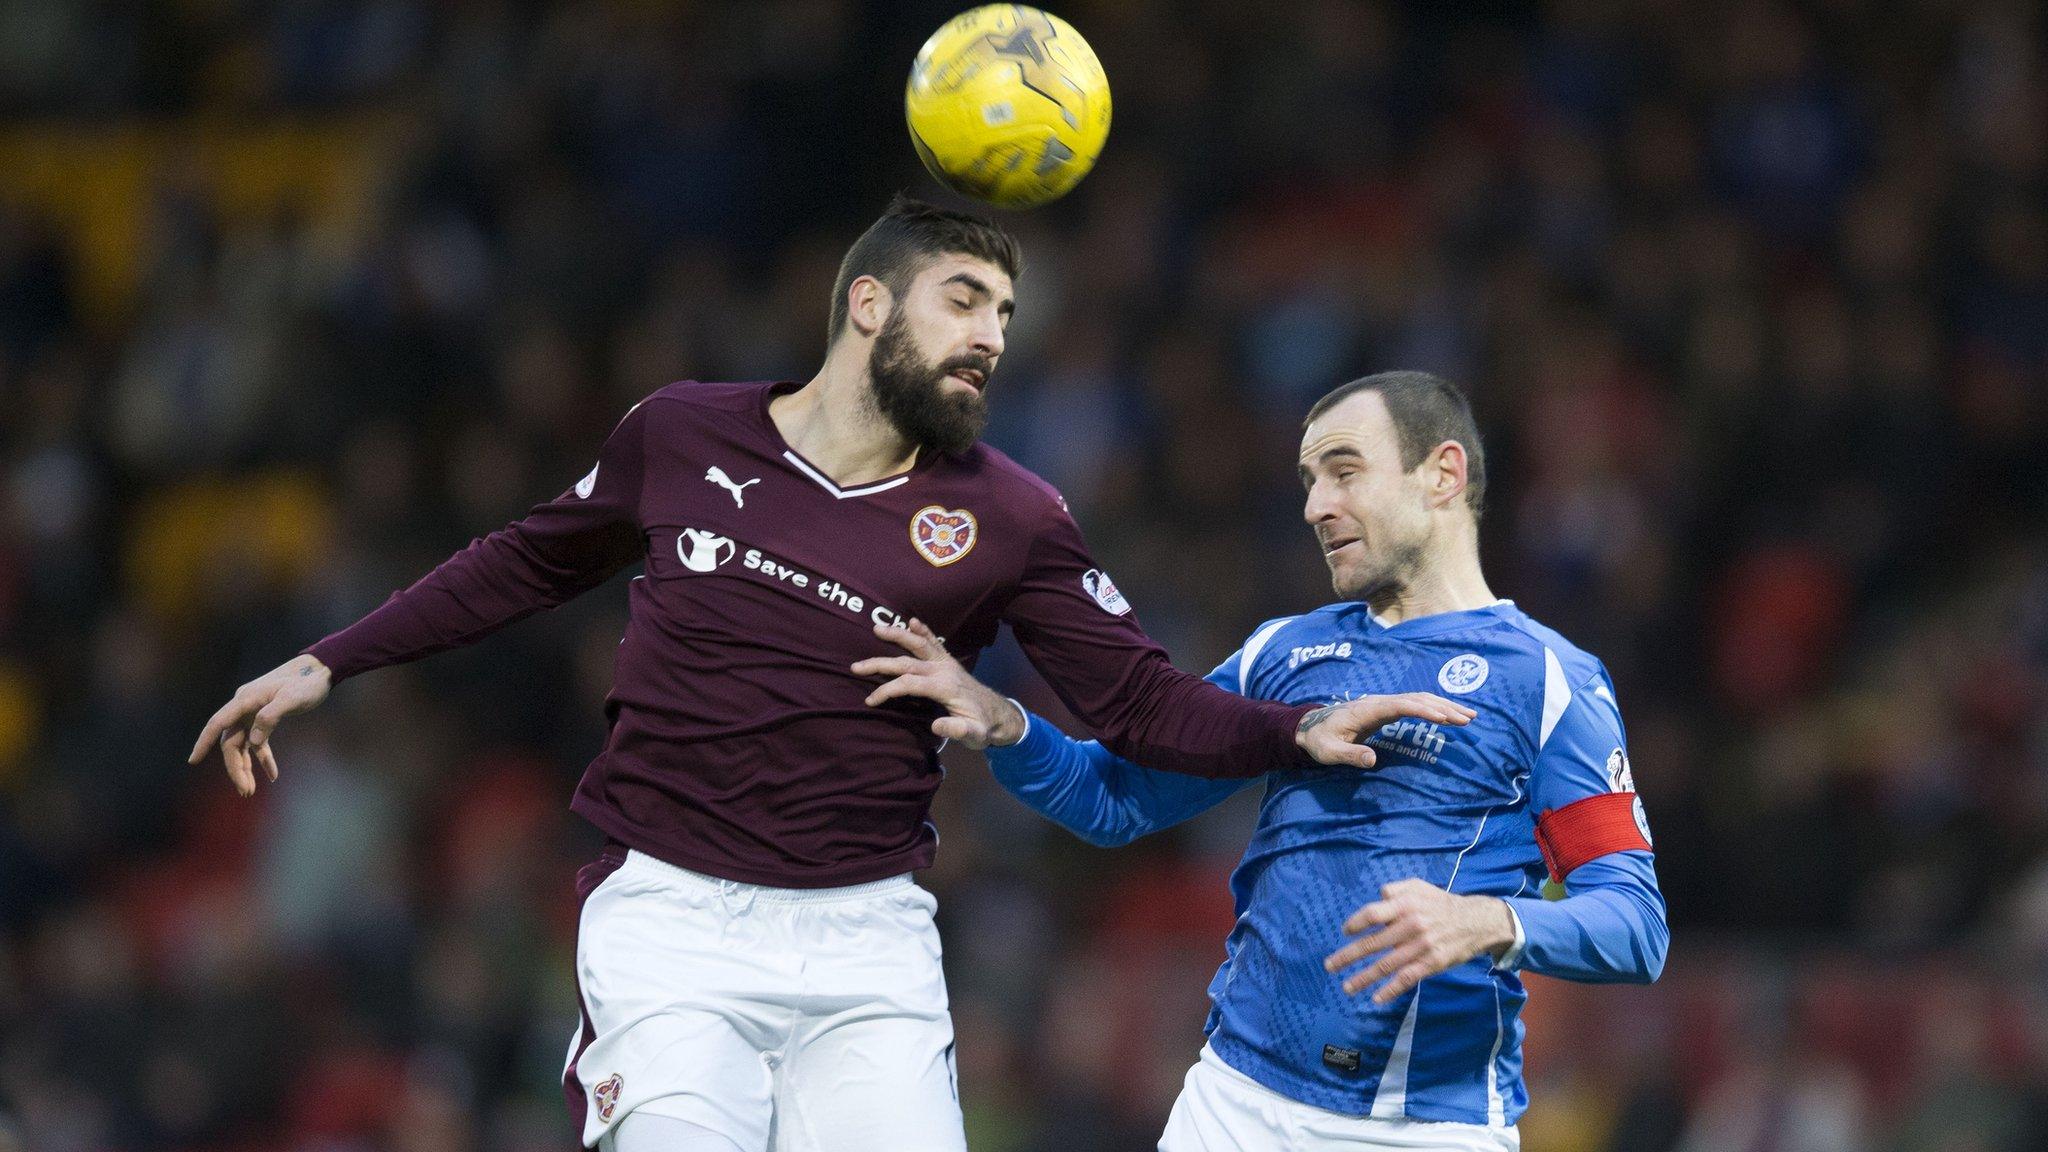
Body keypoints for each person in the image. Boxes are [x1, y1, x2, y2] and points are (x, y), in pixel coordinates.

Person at [185, 199, 1467, 1152]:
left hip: (869, 943)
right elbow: (522, 564)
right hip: (673, 921)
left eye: (1006, 317)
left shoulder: (1010, 516)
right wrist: (325, 660)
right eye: (963, 300)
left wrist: (1289, 730)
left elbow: (1138, 700)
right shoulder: (681, 434)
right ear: (868, 303)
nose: (991, 338)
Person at [853, 371, 1669, 1151]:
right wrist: (1010, 727)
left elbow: (1635, 925)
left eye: (1344, 472)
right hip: (1234, 1105)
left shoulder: (1548, 679)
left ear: (1443, 473)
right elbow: (1119, 801)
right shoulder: (1285, 652)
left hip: (1423, 1125)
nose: (1317, 506)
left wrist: (1487, 922)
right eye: (1310, 480)